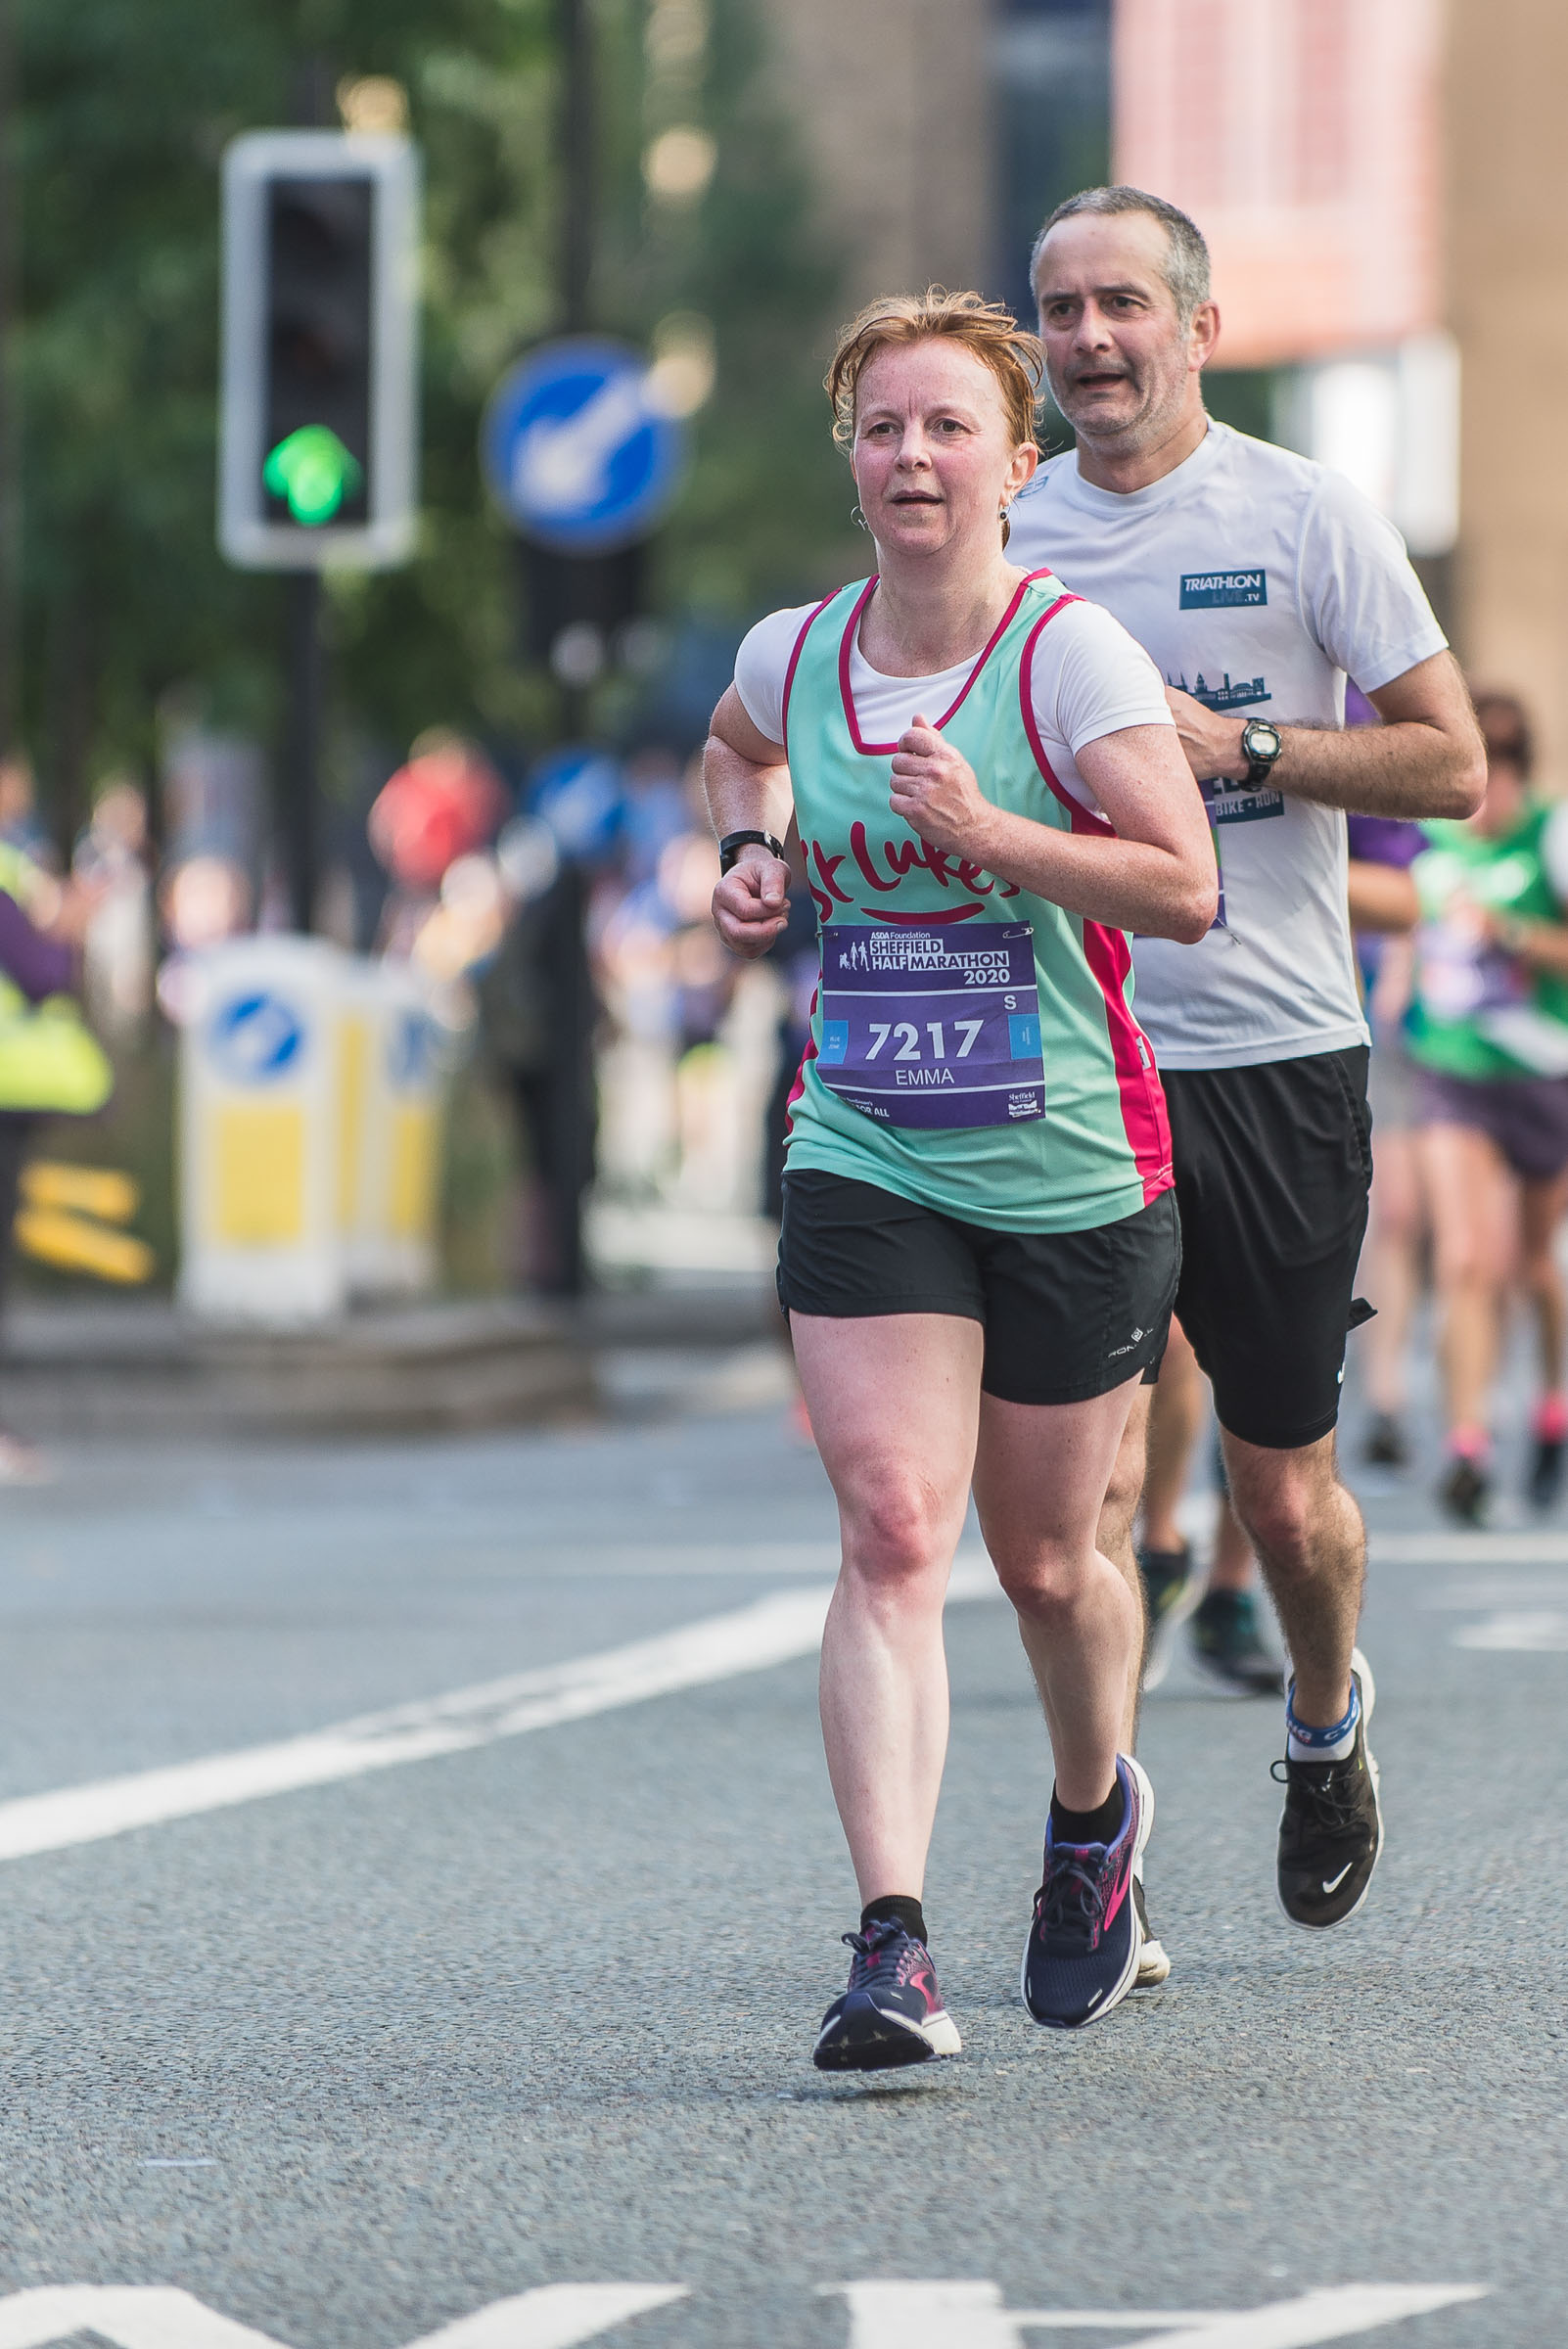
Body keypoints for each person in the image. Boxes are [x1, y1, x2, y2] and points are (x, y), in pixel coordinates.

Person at [704, 288, 1215, 2066]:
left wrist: (992, 834)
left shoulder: (1067, 659)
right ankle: (892, 1949)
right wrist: (749, 852)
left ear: (1014, 464)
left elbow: (1184, 884)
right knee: (893, 1527)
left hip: (1069, 1163)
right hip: (866, 1140)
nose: (910, 457)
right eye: (880, 429)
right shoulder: (796, 655)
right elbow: (733, 752)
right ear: (847, 461)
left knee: (1050, 1561)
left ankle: (1091, 1822)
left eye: (945, 429)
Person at [1010, 187, 1485, 1949]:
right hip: (1073, 1061)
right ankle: (1097, 1849)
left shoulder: (1301, 512)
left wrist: (1253, 749)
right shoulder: (1005, 528)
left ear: (1198, 328)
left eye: (1122, 304)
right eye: (1060, 309)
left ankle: (1323, 1718)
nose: (1089, 339)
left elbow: (1450, 767)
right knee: (1091, 1493)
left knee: (1279, 1497)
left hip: (1275, 1055)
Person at [1405, 692, 1568, 1522]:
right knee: (1468, 1255)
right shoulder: (1426, 844)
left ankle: (1551, 1407)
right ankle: (1466, 1444)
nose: (1476, 804)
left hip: (1544, 1073)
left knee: (1531, 1264)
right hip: (1454, 1070)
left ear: (1516, 777)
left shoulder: (1551, 836)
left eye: (1491, 784)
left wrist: (1509, 934)